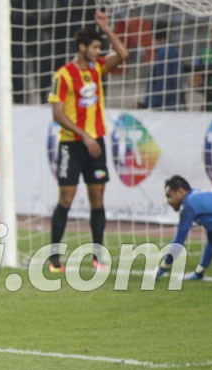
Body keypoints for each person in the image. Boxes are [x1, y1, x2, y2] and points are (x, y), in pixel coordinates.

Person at [47, 11, 128, 272]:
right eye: (94, 47)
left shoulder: (97, 67)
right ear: (82, 48)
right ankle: (54, 259)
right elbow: (57, 114)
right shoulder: (63, 75)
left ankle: (97, 257)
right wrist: (84, 135)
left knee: (97, 198)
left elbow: (123, 54)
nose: (98, 52)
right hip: (72, 144)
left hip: (97, 144)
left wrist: (106, 29)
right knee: (66, 198)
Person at [157, 175, 212, 282]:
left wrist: (163, 267)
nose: (168, 201)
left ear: (180, 192)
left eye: (169, 196)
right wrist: (199, 273)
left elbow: (178, 242)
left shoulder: (189, 204)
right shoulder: (199, 201)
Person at [138, 21, 183, 111]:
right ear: (169, 34)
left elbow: (162, 83)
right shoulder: (170, 51)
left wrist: (150, 105)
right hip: (170, 104)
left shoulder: (164, 52)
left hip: (164, 108)